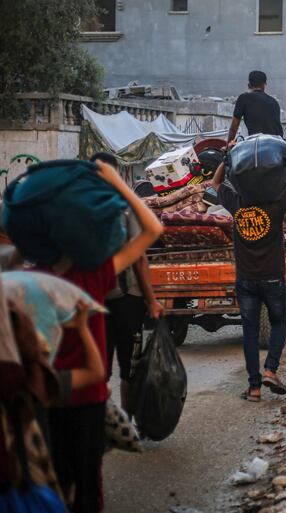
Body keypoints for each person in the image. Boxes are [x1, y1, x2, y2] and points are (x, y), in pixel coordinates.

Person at [44, 159, 163, 513]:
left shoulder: (33, 278)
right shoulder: (93, 276)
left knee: (55, 475)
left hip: (42, 396)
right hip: (87, 396)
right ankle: (122, 422)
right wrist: (120, 185)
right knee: (87, 480)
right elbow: (149, 237)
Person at [213, 142, 286, 402]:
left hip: (246, 280)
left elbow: (214, 185)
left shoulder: (237, 204)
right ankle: (271, 369)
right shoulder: (277, 203)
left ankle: (254, 388)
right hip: (272, 278)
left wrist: (226, 158)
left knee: (249, 332)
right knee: (280, 322)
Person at [89, 153, 164, 411]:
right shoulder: (124, 206)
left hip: (95, 299)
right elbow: (140, 258)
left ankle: (106, 424)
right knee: (129, 369)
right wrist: (152, 301)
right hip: (126, 300)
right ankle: (124, 424)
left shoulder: (82, 208)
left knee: (100, 368)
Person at [227, 70, 283, 143]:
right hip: (277, 144)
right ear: (264, 84)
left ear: (249, 85)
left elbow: (234, 127)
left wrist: (228, 145)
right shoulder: (274, 102)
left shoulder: (244, 98)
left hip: (256, 144)